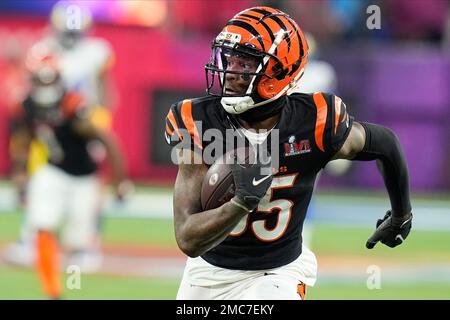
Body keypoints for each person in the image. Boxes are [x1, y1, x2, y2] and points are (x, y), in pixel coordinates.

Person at [164, 6, 412, 300]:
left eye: (245, 62)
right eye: (228, 57)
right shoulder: (197, 120)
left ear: (278, 72)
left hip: (279, 271)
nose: (229, 71)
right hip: (207, 270)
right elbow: (188, 238)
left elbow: (385, 143)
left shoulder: (316, 120)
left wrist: (401, 216)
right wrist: (242, 203)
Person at [9, 54, 127, 299]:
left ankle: (73, 284)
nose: (44, 88)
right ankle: (52, 291)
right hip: (51, 170)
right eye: (40, 82)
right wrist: (20, 176)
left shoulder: (72, 105)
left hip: (83, 178)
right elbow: (24, 141)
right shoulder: (28, 105)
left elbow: (108, 142)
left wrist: (119, 181)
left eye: (48, 81)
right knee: (42, 224)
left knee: (77, 242)